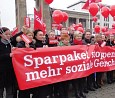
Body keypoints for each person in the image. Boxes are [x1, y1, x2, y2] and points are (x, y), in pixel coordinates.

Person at [0, 27, 23, 98]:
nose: (8, 36)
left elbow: (15, 36)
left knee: (10, 92)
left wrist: (22, 31)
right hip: (1, 72)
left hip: (10, 72)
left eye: (9, 34)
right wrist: (8, 55)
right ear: (1, 35)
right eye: (6, 34)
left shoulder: (11, 43)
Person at [71, 31, 86, 98]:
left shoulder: (84, 44)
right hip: (75, 65)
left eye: (80, 36)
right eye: (78, 36)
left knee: (82, 79)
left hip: (82, 65)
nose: (79, 37)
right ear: (75, 37)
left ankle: (81, 91)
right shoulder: (71, 44)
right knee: (76, 79)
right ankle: (76, 93)